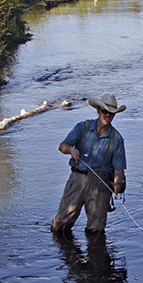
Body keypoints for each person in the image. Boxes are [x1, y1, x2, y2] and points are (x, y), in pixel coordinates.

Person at [51, 93, 127, 234]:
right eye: (105, 111)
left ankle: (95, 255)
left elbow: (119, 170)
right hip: (78, 179)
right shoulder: (82, 127)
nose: (108, 115)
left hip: (101, 184)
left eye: (111, 113)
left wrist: (117, 184)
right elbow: (62, 146)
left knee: (96, 230)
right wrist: (71, 150)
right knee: (60, 225)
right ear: (98, 110)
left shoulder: (117, 139)